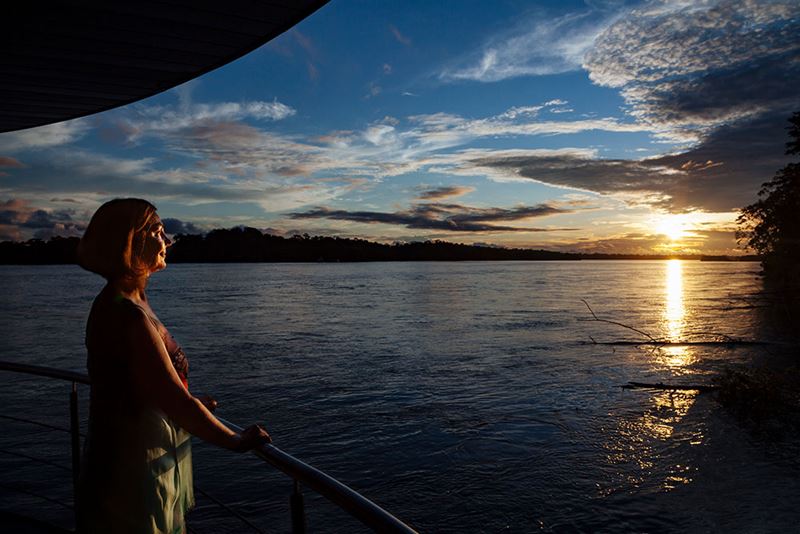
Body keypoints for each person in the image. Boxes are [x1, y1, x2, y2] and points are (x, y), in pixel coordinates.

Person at [76, 198, 270, 533]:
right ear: (131, 241)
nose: (167, 241)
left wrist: (185, 400)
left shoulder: (128, 301)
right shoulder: (128, 314)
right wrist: (235, 441)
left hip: (135, 445)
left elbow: (141, 381)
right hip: (134, 458)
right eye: (158, 231)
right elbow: (174, 401)